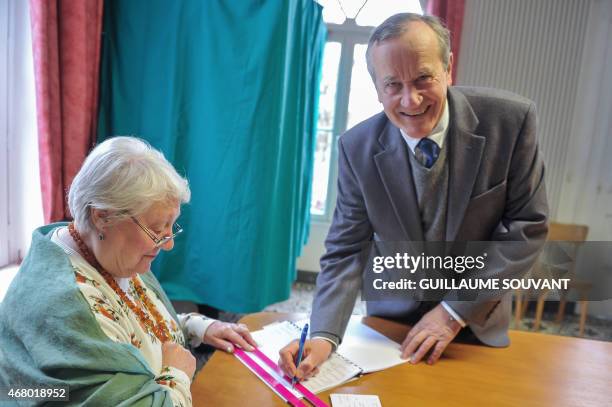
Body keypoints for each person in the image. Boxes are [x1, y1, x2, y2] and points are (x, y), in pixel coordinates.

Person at [279, 13, 548, 381]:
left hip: (475, 325)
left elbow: (527, 228)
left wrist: (452, 312)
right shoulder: (356, 148)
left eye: (423, 77)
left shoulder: (511, 121)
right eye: (393, 84)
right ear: (376, 88)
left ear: (448, 67)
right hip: (389, 330)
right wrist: (324, 333)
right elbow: (345, 251)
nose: (411, 99)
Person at [0, 137, 257, 406]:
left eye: (170, 228)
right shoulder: (67, 306)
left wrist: (197, 326)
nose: (168, 244)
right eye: (157, 230)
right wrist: (176, 374)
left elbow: (131, 320)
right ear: (102, 216)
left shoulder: (101, 249)